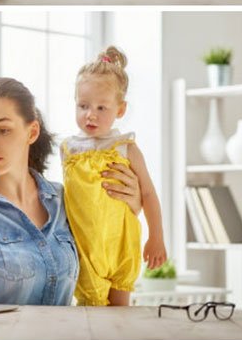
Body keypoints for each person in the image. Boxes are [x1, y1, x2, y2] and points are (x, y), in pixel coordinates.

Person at [0, 76, 142, 307]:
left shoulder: (63, 202)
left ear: (32, 131)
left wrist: (128, 210)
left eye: (3, 130)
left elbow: (107, 260)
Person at [61, 46, 166, 307]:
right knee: (91, 314)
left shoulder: (126, 148)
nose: (90, 114)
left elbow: (149, 194)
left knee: (121, 316)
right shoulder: (68, 149)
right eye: (83, 105)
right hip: (86, 251)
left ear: (120, 110)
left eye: (101, 107)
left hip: (121, 246)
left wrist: (157, 238)